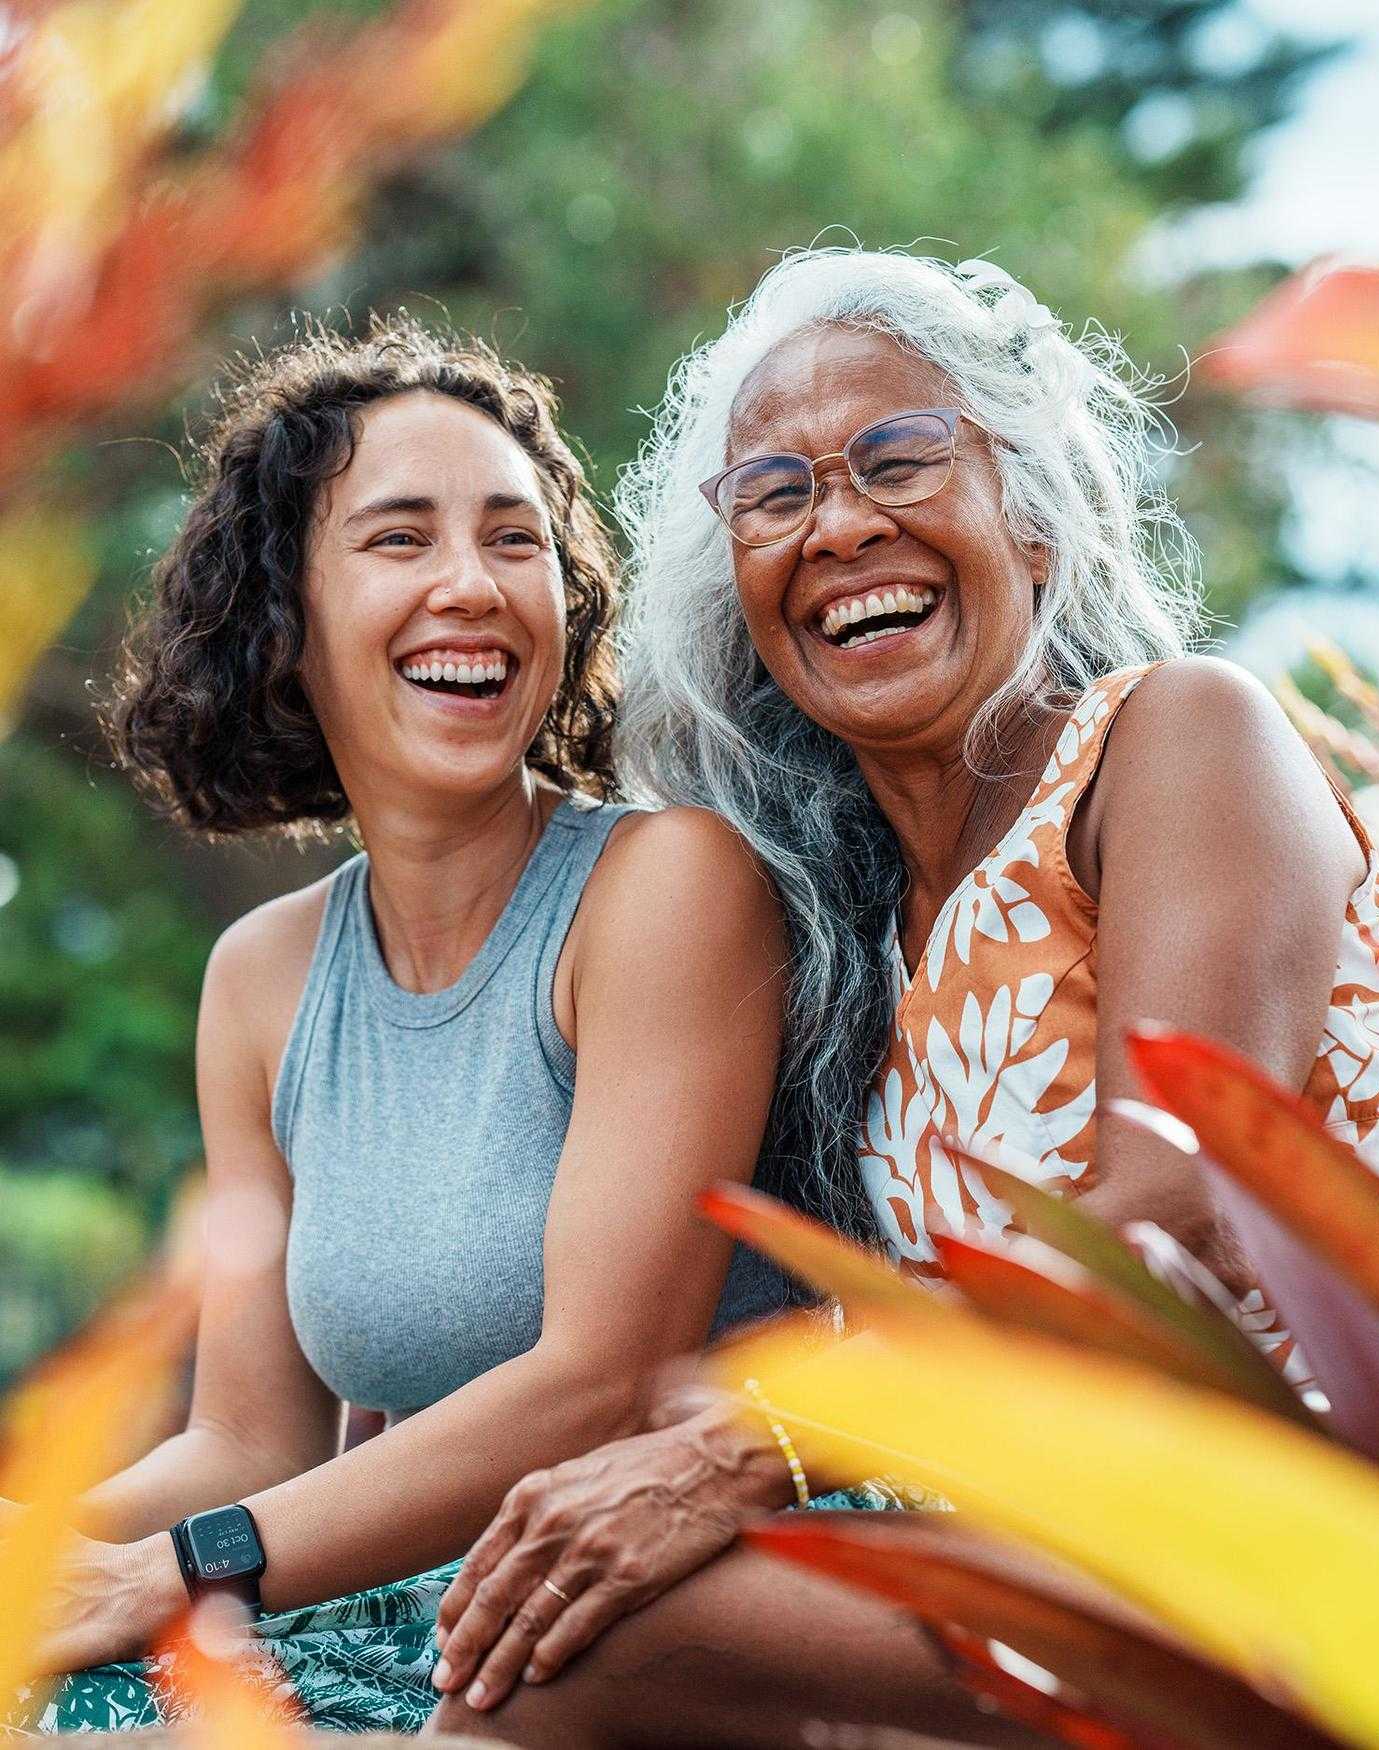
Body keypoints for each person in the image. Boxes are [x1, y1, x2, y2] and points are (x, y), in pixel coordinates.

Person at [428, 248, 1379, 1747]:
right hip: (1081, 1554)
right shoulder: (851, 943)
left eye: (899, 457)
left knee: (587, 1644)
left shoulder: (1177, 739)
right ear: (732, 570)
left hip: (1314, 1551)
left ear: (1029, 503)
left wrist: (745, 1453)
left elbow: (1166, 1216)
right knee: (553, 1593)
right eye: (778, 491)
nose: (843, 526)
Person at [0, 317, 798, 1735]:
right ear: (285, 619)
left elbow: (601, 1381)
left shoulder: (665, 887)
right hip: (393, 1617)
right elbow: (248, 1438)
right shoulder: (262, 977)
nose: (471, 588)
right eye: (399, 539)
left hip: (632, 1629)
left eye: (514, 539)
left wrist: (180, 1570)